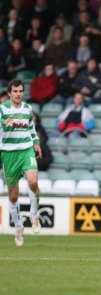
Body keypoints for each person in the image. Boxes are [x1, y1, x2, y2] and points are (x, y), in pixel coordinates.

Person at [0, 80, 43, 246]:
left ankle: (34, 214)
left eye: (20, 91)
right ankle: (18, 226)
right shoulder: (3, 109)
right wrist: (4, 123)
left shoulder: (27, 109)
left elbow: (31, 128)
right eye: (15, 91)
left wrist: (36, 143)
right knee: (13, 195)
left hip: (26, 150)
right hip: (9, 153)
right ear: (9, 93)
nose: (18, 94)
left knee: (33, 181)